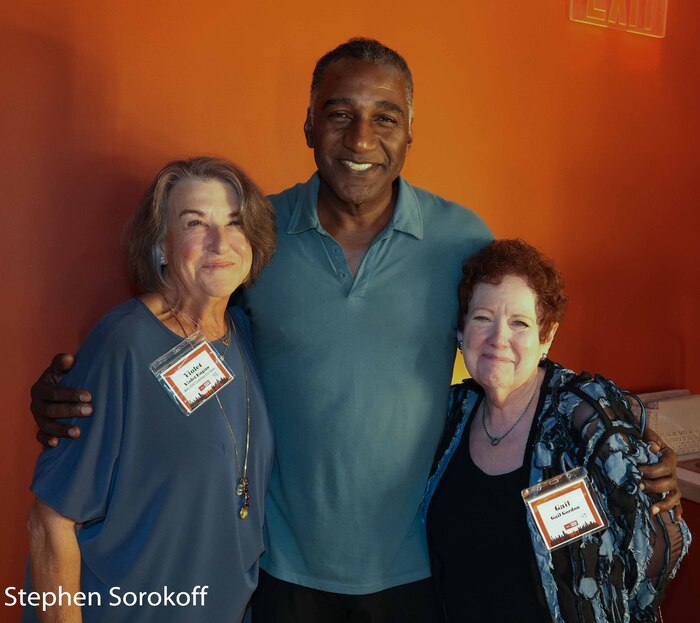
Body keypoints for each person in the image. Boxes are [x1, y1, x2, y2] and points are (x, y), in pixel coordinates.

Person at [29, 40, 682, 622]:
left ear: (409, 132)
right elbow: (188, 332)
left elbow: (513, 353)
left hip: (412, 567)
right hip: (280, 571)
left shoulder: (460, 238)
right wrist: (79, 393)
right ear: (310, 123)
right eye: (340, 113)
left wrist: (617, 432)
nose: (361, 138)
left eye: (385, 117)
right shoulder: (260, 236)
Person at [25, 157, 276, 623]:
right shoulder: (125, 342)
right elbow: (49, 523)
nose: (220, 242)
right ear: (161, 246)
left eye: (235, 222)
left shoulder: (239, 335)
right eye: (195, 223)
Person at [424, 239, 691, 623]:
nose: (499, 337)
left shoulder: (584, 413)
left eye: (520, 323)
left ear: (546, 337)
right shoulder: (451, 413)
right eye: (482, 317)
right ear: (461, 331)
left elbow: (660, 544)